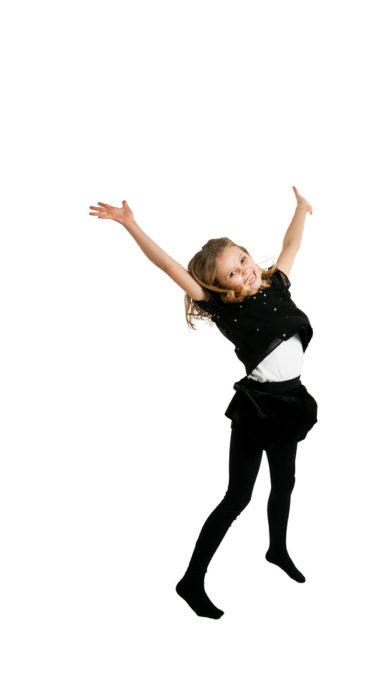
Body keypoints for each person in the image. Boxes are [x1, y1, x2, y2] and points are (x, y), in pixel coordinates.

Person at [89, 187, 317, 618]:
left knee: (284, 483)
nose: (244, 272)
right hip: (257, 411)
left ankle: (277, 550)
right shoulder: (222, 309)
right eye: (233, 273)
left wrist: (300, 209)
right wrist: (130, 223)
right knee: (237, 497)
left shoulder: (276, 284)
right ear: (219, 286)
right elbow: (168, 264)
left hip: (289, 406)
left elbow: (290, 245)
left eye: (243, 260)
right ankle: (191, 580)